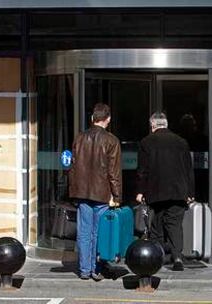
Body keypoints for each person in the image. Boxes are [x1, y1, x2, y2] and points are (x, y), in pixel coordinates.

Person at [69, 103, 122, 281]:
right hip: (102, 193)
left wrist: (72, 191)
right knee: (100, 232)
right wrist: (117, 195)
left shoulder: (79, 138)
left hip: (83, 193)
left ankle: (84, 270)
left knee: (84, 232)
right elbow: (113, 172)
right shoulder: (111, 141)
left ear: (92, 118)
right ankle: (95, 268)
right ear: (108, 119)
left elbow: (73, 167)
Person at [136, 112, 194, 271]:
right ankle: (177, 257)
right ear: (166, 124)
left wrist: (140, 191)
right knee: (175, 225)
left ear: (153, 125)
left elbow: (142, 170)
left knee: (157, 225)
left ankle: (158, 256)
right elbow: (188, 169)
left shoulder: (146, 142)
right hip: (178, 191)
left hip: (156, 191)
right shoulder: (181, 142)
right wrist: (190, 192)